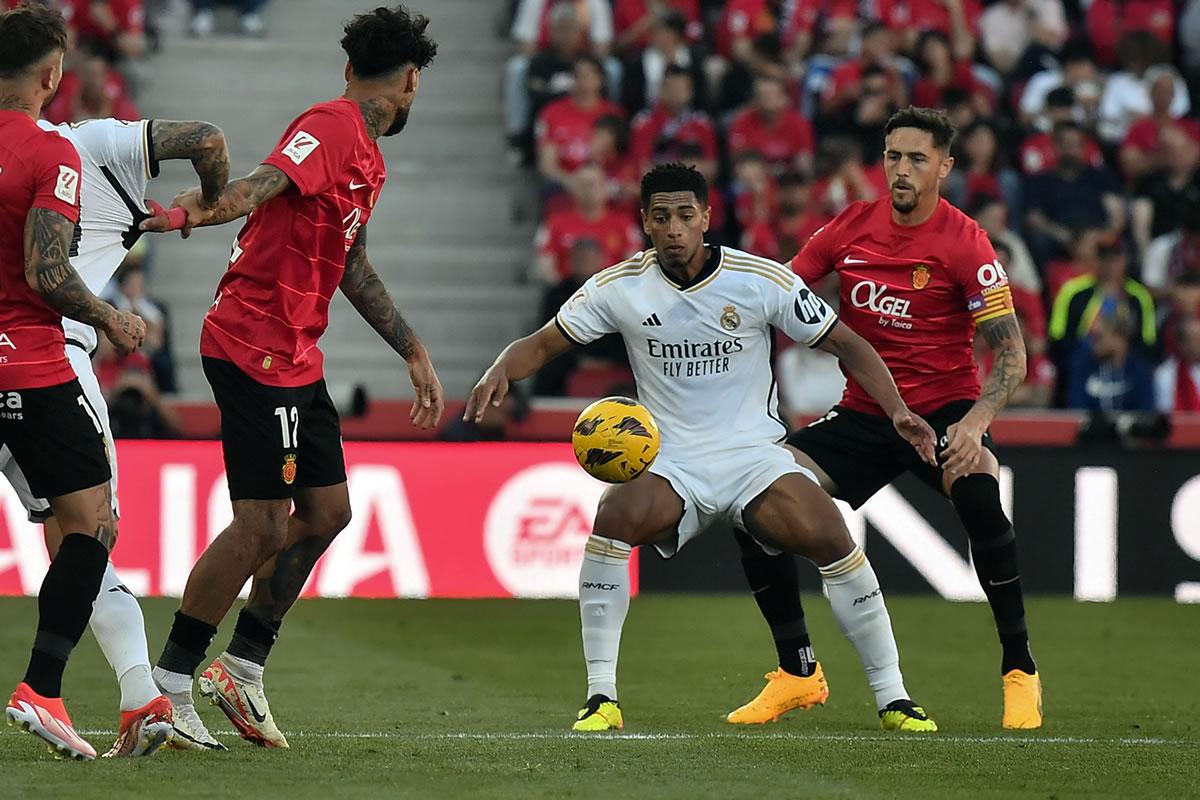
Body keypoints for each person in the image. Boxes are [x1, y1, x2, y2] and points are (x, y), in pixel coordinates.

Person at [466, 162, 942, 734]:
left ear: (706, 219)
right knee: (613, 517)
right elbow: (541, 345)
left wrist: (896, 409)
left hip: (754, 457)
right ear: (644, 221)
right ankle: (601, 697)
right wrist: (500, 368)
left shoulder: (760, 280)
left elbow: (846, 342)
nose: (673, 229)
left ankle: (894, 697)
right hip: (671, 460)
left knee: (831, 536)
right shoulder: (619, 288)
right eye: (661, 217)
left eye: (685, 217)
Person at [140, 5, 444, 751]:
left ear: (352, 65)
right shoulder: (333, 124)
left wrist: (412, 348)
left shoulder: (367, 157)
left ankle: (241, 668)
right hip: (252, 346)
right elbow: (257, 186)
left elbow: (353, 264)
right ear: (409, 80)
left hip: (298, 357)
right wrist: (189, 215)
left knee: (329, 512)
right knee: (262, 524)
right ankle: (169, 686)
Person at [725, 107, 1044, 732]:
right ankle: (797, 671)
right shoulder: (849, 228)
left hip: (948, 410)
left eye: (917, 158)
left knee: (981, 500)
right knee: (751, 499)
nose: (901, 169)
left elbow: (1011, 353)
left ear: (944, 168)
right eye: (893, 156)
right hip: (866, 413)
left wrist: (976, 425)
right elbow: (779, 297)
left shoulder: (965, 242)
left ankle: (1020, 668)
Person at [0, 110, 229, 757]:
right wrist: (207, 201)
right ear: (52, 74)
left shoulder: (31, 153)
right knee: (92, 526)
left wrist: (181, 217)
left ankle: (137, 697)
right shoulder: (91, 146)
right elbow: (206, 140)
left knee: (69, 529)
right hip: (50, 355)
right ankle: (106, 690)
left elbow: (143, 218)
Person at [0, 3, 147, 761]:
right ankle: (42, 688)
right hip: (26, 360)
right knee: (90, 521)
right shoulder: (48, 152)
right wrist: (111, 318)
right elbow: (48, 272)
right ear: (52, 74)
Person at [1066, 311, 1156, 412]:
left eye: (1098, 338)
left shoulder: (1140, 371)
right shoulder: (1083, 367)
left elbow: (1145, 413)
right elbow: (1077, 410)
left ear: (1119, 339)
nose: (1092, 343)